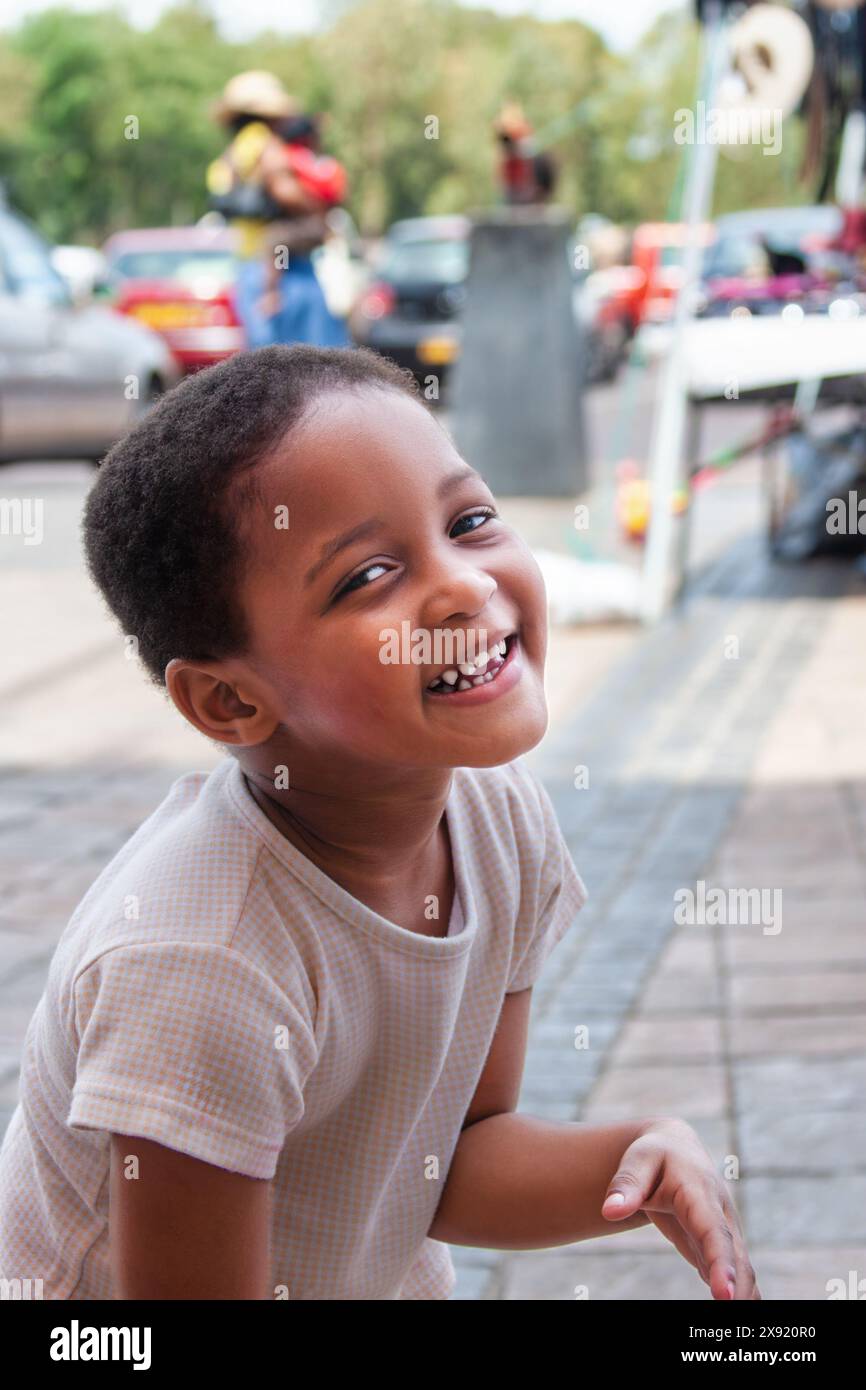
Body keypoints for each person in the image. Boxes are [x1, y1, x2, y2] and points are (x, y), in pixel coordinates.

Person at [0, 346, 761, 1301]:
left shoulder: (495, 813)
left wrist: (637, 1156)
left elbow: (451, 1161)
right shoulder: (205, 965)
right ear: (231, 703)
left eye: (471, 521)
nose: (463, 588)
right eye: (366, 578)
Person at [206, 71, 349, 349]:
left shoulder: (232, 152)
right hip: (288, 271)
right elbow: (283, 189)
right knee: (317, 367)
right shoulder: (264, 141)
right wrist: (317, 208)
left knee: (268, 369)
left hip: (251, 264)